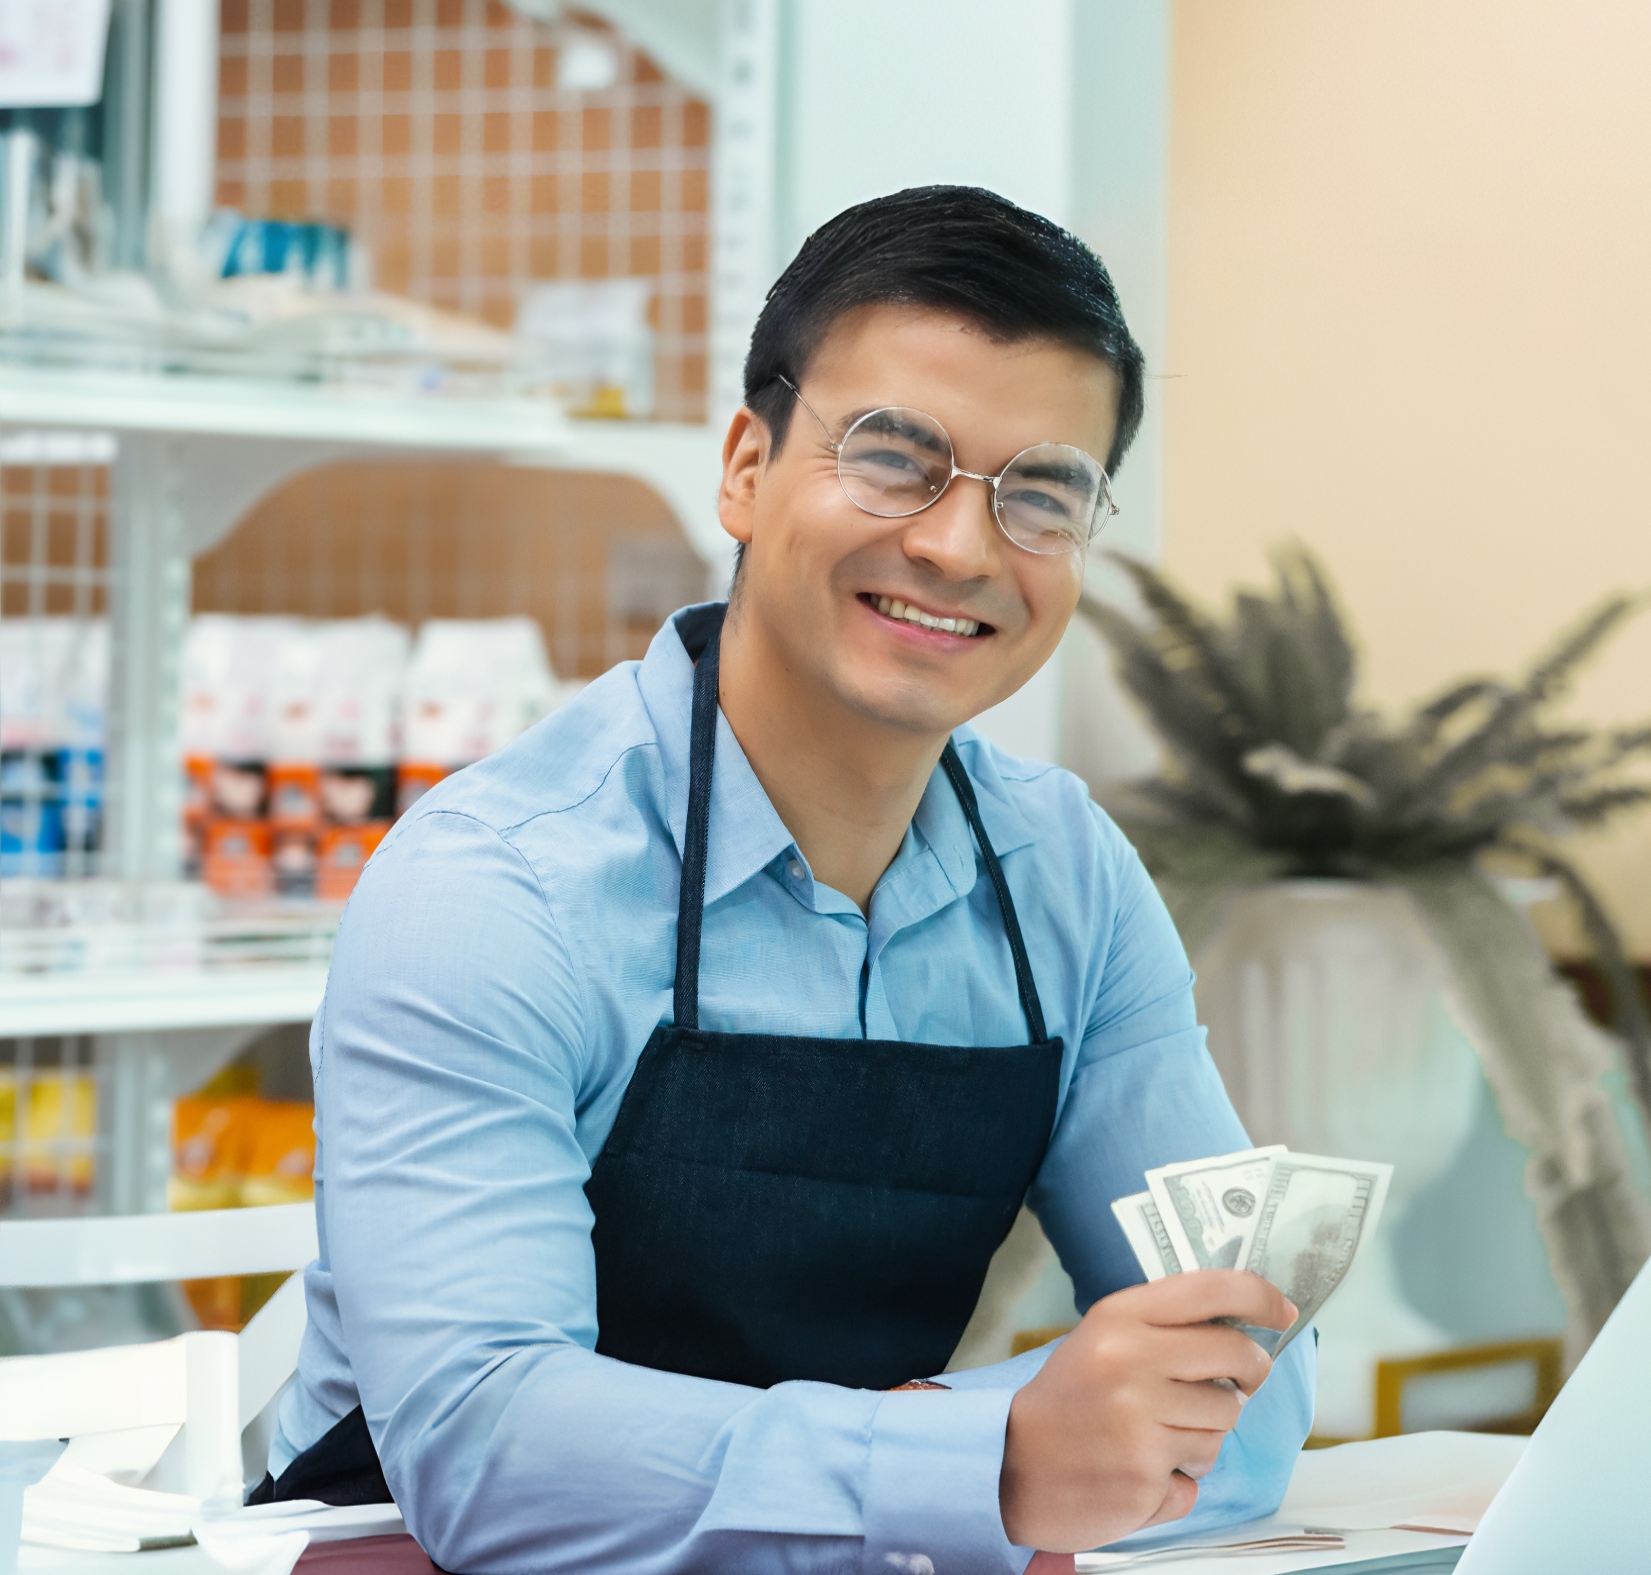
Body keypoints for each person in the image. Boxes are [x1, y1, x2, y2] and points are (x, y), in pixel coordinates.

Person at [260, 185, 1315, 1572]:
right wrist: (989, 1461)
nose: (958, 547)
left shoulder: (1069, 880)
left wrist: (962, 1466)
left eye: (1042, 495)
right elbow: (484, 1448)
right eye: (895, 459)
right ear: (746, 469)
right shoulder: (493, 886)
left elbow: (1251, 1380)